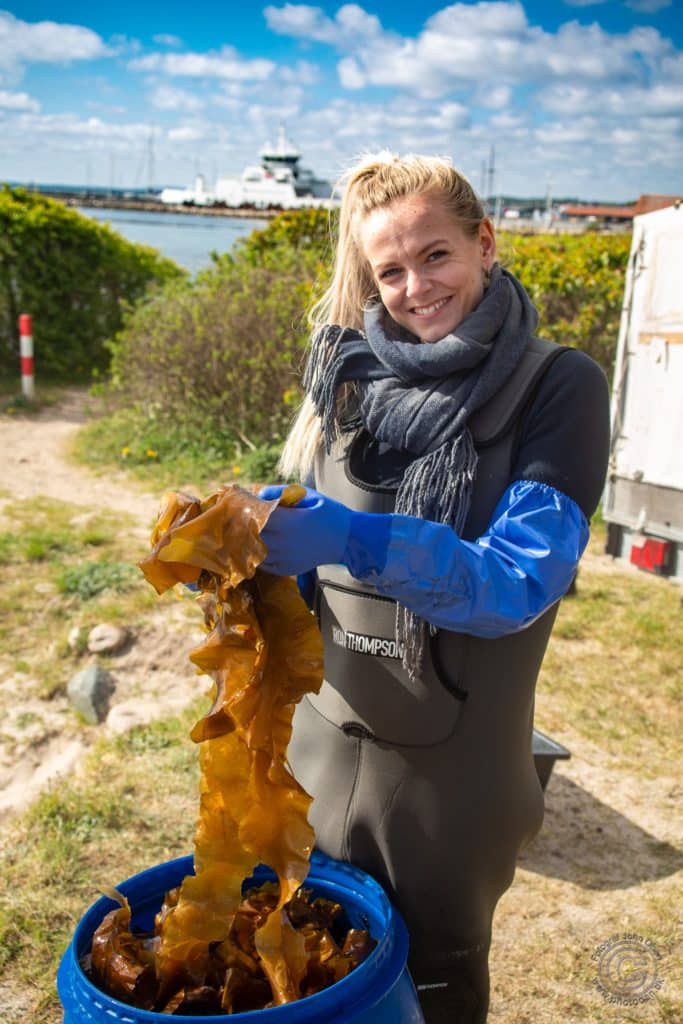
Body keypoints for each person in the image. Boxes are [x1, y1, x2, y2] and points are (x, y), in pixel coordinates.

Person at [258, 152, 610, 1023]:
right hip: (312, 755)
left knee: (434, 990)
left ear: (484, 243)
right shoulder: (343, 379)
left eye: (436, 255)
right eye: (390, 270)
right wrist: (251, 553)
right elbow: (310, 585)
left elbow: (515, 582)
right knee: (298, 977)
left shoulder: (556, 386)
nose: (415, 286)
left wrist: (351, 538)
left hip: (448, 789)